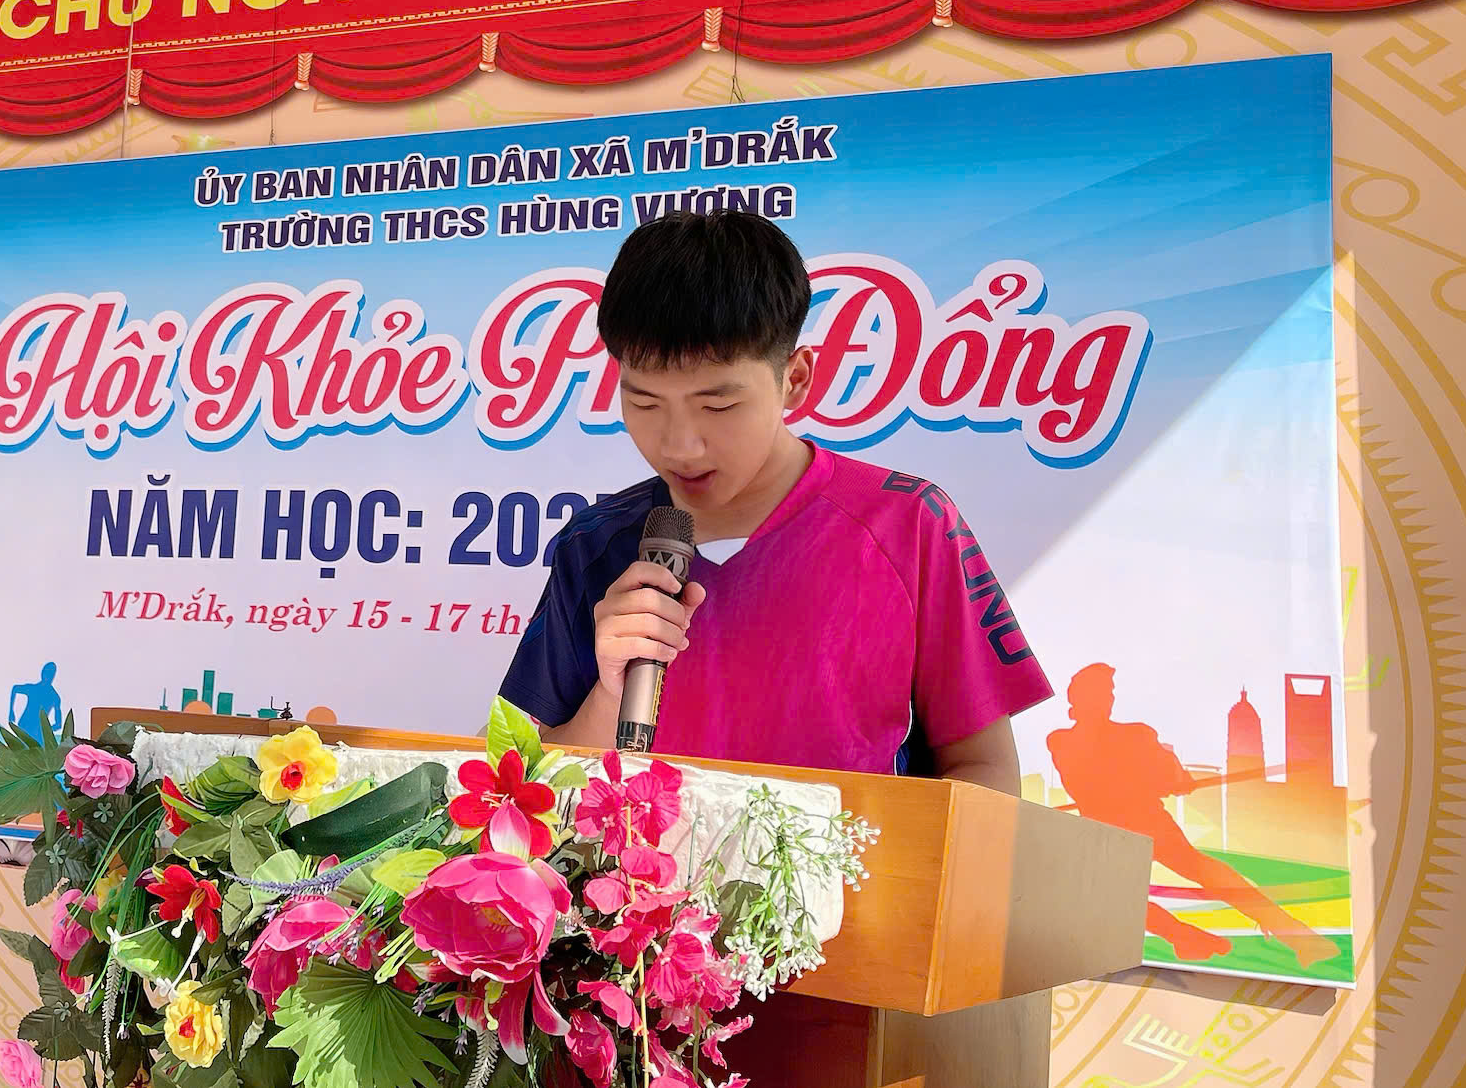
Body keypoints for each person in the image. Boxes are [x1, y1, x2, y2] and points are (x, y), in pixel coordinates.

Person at [498, 211, 1049, 790]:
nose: (680, 445)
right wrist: (610, 693)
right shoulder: (594, 543)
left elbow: (984, 768)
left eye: (718, 406)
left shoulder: (909, 523)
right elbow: (530, 785)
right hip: (641, 855)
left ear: (796, 378)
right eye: (645, 403)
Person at [1047, 664, 1340, 969]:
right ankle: (1195, 937)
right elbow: (1159, 774)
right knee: (1142, 889)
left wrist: (1170, 779)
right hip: (1128, 828)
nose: (1109, 699)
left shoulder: (1069, 741)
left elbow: (1151, 774)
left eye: (1110, 693)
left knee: (1186, 879)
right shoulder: (1123, 737)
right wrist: (1175, 780)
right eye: (1104, 693)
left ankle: (1189, 937)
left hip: (1127, 828)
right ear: (1082, 699)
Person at [10, 662, 61, 742]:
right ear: (42, 673)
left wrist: (45, 730)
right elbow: (15, 688)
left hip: (36, 733)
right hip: (25, 727)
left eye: (50, 674)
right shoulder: (33, 689)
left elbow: (58, 724)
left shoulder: (54, 697)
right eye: (46, 673)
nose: (47, 676)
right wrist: (11, 711)